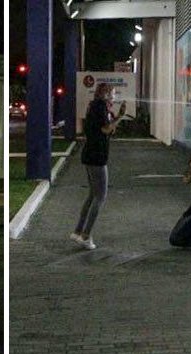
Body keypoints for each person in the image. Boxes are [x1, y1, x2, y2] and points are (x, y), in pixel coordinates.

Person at [71, 83, 124, 250]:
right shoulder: (100, 107)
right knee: (100, 197)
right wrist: (119, 118)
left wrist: (117, 116)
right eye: (113, 93)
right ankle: (86, 236)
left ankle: (78, 231)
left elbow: (106, 128)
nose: (115, 96)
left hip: (90, 155)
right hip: (96, 157)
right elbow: (106, 129)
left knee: (92, 195)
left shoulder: (96, 106)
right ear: (106, 93)